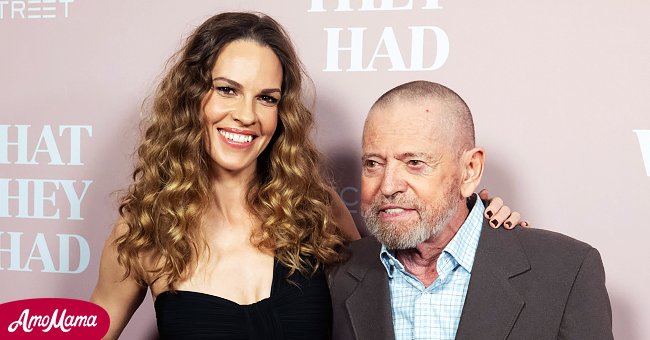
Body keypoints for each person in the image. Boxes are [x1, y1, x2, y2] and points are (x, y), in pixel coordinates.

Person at [90, 13, 520, 340]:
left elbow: (398, 280)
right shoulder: (147, 230)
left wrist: (479, 226)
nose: (245, 115)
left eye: (266, 98)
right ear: (191, 98)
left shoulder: (313, 208)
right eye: (226, 89)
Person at [329, 80, 613, 340]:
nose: (388, 186)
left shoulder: (565, 271)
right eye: (373, 164)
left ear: (469, 170)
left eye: (414, 162)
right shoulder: (335, 274)